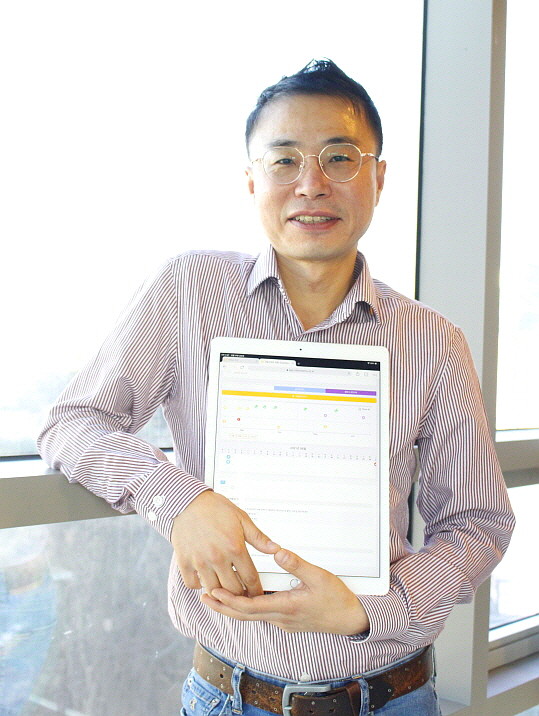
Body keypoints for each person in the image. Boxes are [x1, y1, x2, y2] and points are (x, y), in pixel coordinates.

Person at [38, 59, 515, 716]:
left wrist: (370, 609)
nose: (311, 184)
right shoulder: (189, 291)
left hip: (393, 696)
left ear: (378, 178)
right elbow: (72, 422)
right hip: (229, 696)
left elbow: (478, 522)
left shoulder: (433, 341)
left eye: (339, 158)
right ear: (252, 180)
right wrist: (181, 502)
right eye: (284, 160)